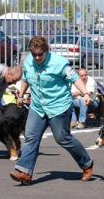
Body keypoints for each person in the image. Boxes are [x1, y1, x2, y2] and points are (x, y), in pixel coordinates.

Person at [9, 35, 94, 185]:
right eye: (33, 54)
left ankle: (86, 163)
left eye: (40, 54)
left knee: (62, 138)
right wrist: (21, 95)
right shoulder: (29, 61)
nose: (37, 57)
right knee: (30, 137)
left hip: (59, 106)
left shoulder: (59, 63)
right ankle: (24, 172)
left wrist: (85, 93)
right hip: (38, 106)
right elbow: (26, 78)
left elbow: (74, 78)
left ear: (46, 51)